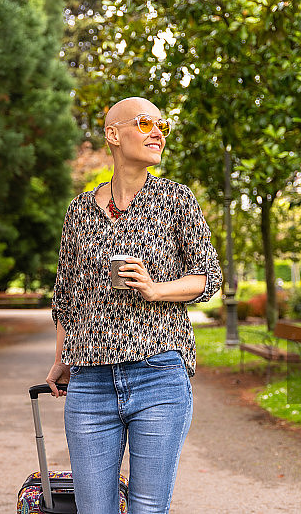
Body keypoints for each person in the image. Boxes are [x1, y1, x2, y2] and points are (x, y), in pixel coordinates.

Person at [45, 97, 222, 514]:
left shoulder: (177, 200)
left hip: (158, 376)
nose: (158, 132)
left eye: (162, 125)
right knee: (94, 510)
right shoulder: (80, 212)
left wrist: (155, 289)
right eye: (145, 123)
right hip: (89, 383)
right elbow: (66, 295)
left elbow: (207, 277)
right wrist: (61, 359)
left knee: (147, 508)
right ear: (113, 134)